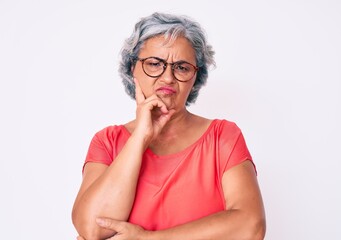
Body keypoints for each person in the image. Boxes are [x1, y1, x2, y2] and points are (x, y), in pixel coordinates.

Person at [72, 12, 266, 240]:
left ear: (196, 77)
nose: (168, 78)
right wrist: (140, 137)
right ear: (132, 68)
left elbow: (250, 227)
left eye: (182, 68)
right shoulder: (108, 141)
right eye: (154, 64)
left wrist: (148, 238)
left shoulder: (222, 136)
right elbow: (92, 228)